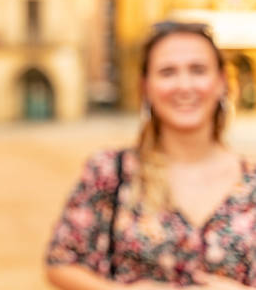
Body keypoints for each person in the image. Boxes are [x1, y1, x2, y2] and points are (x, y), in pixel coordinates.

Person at [46, 21, 256, 289]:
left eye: (198, 70)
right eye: (167, 72)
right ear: (145, 86)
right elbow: (60, 262)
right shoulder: (111, 173)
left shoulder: (251, 183)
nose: (184, 85)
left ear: (221, 82)